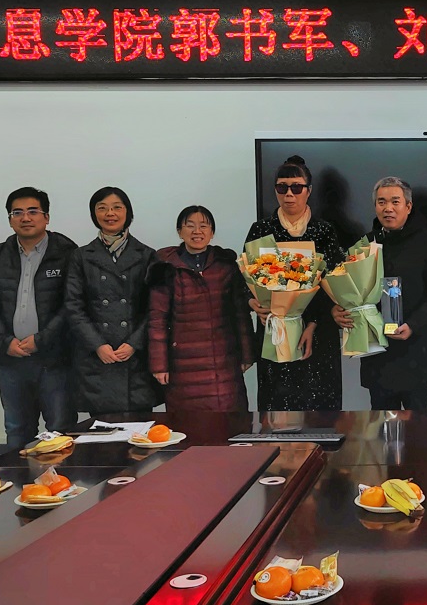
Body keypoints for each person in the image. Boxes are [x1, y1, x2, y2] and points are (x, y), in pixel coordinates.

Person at [333, 176, 427, 410]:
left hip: (417, 353)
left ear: (408, 206)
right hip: (378, 356)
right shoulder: (364, 245)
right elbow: (350, 290)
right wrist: (339, 310)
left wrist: (415, 324)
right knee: (380, 425)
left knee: (419, 427)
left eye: (395, 202)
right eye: (381, 202)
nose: (388, 208)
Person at [0, 187, 77, 449]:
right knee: (17, 430)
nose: (25, 218)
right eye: (17, 213)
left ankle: (62, 477)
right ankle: (20, 477)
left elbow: (72, 305)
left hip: (55, 360)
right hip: (11, 359)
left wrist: (42, 340)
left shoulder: (67, 252)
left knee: (60, 429)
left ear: (46, 217)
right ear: (10, 219)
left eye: (33, 211)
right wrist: (4, 341)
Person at [245, 155, 346, 411]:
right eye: (282, 187)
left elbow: (336, 284)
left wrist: (313, 322)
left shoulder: (325, 230)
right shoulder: (261, 230)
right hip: (275, 330)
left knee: (320, 412)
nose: (289, 194)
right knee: (277, 410)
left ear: (308, 191)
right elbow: (244, 278)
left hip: (318, 333)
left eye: (296, 187)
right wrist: (253, 303)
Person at [148, 205, 255, 412]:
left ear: (212, 232)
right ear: (180, 231)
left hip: (224, 362)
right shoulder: (165, 267)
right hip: (183, 364)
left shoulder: (226, 265)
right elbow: (157, 319)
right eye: (190, 226)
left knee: (230, 423)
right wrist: (159, 365)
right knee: (187, 424)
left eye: (204, 226)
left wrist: (247, 354)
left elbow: (240, 313)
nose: (197, 231)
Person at [64, 186, 159, 415]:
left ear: (128, 212)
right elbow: (73, 306)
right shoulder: (80, 256)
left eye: (117, 207)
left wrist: (134, 343)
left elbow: (155, 308)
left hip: (136, 358)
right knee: (102, 430)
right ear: (94, 214)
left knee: (140, 431)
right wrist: (98, 345)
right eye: (102, 208)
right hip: (97, 357)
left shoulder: (147, 255)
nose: (110, 214)